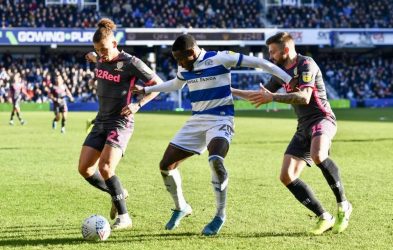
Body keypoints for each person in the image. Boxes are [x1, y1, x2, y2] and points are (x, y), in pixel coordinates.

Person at [134, 34, 295, 236]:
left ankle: (220, 215)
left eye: (182, 59)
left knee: (216, 161)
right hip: (197, 121)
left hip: (221, 119)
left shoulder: (221, 58)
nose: (180, 63)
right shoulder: (185, 66)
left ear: (191, 52)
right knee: (165, 165)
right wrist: (147, 89)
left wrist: (290, 79)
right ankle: (181, 207)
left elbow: (261, 63)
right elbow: (176, 84)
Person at [232, 32, 352, 235]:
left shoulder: (306, 64)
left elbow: (305, 97)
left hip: (322, 119)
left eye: (273, 52)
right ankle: (325, 217)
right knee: (286, 176)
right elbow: (262, 95)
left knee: (319, 155)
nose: (270, 56)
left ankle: (343, 204)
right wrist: (230, 90)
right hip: (303, 126)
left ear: (286, 50)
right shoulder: (280, 71)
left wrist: (273, 98)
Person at [78, 18, 162, 230]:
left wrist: (138, 104)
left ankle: (124, 217)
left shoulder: (132, 63)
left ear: (114, 44)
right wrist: (92, 56)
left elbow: (158, 85)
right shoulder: (99, 58)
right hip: (101, 120)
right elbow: (94, 57)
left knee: (106, 167)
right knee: (85, 169)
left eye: (104, 49)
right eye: (97, 50)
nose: (102, 54)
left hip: (121, 121)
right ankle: (118, 193)